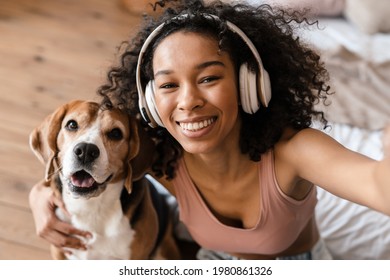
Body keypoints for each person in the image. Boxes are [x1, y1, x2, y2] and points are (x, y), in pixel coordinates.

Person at [29, 0, 390, 259]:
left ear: (251, 84)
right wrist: (40, 196)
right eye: (169, 85)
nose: (188, 102)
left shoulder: (296, 151)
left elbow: (379, 187)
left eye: (209, 78)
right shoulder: (160, 154)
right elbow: (95, 163)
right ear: (151, 101)